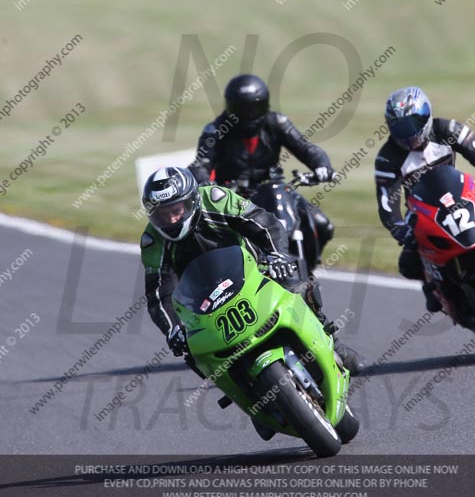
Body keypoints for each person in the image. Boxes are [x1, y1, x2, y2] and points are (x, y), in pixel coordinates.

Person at [140, 167, 361, 414]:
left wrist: (277, 256)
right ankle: (245, 392)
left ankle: (332, 342)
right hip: (204, 301)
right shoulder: (153, 242)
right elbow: (158, 294)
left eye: (176, 210)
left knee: (295, 286)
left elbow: (263, 222)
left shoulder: (215, 199)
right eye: (162, 214)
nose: (171, 219)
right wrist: (173, 329)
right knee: (194, 353)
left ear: (191, 200)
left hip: (253, 273)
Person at [374, 86, 475, 311]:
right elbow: (386, 202)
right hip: (422, 213)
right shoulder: (387, 158)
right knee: (408, 263)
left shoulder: (447, 129)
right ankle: (434, 289)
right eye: (400, 127)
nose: (408, 133)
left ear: (427, 116)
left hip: (462, 195)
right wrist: (397, 226)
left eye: (414, 124)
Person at [188, 73, 335, 271]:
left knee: (323, 225)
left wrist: (321, 165)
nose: (249, 114)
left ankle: (308, 270)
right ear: (230, 108)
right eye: (242, 109)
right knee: (211, 241)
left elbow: (306, 148)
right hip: (234, 197)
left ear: (264, 105)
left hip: (275, 190)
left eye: (254, 108)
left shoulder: (277, 122)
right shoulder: (215, 130)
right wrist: (206, 185)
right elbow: (200, 164)